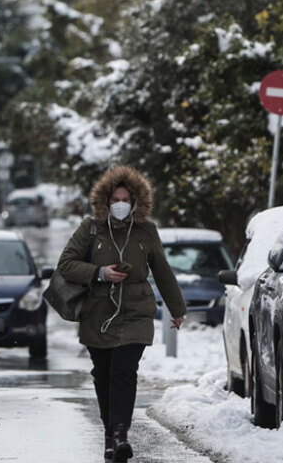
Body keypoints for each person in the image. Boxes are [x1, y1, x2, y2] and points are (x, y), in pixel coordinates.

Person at [57, 166, 187, 462]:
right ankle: (109, 436)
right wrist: (99, 273)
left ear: (136, 201)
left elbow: (162, 271)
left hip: (136, 312)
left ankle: (120, 434)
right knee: (103, 375)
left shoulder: (146, 231)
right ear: (104, 200)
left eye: (126, 199)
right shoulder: (90, 228)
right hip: (98, 314)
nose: (120, 204)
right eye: (115, 198)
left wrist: (176, 308)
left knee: (124, 371)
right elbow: (66, 264)